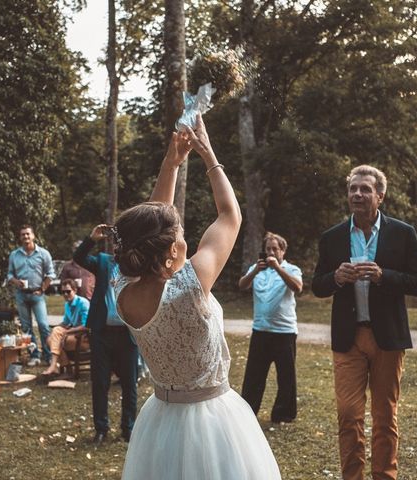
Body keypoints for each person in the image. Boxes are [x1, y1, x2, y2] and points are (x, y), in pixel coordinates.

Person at [113, 115, 281, 479]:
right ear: (173, 251)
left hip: (160, 420)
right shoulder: (189, 286)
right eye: (180, 233)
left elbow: (152, 221)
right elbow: (230, 215)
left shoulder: (121, 285)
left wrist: (170, 163)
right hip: (213, 421)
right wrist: (208, 154)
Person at [311, 165, 417, 480]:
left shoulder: (403, 233)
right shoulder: (333, 236)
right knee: (348, 415)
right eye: (353, 189)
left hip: (387, 337)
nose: (357, 194)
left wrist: (383, 276)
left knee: (384, 416)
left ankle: (384, 476)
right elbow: (317, 285)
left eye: (365, 189)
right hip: (349, 338)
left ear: (381, 196)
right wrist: (335, 277)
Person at [73, 225, 138, 446]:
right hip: (101, 333)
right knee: (99, 383)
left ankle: (128, 429)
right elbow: (79, 257)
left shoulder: (138, 266)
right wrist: (91, 239)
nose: (122, 246)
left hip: (127, 335)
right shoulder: (102, 261)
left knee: (130, 383)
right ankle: (101, 429)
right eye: (119, 243)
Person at [239, 232, 302, 423]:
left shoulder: (291, 269)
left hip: (284, 332)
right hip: (261, 331)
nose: (271, 252)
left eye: (275, 248)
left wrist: (278, 268)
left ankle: (283, 414)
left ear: (283, 250)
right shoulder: (257, 268)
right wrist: (255, 271)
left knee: (286, 376)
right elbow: (242, 285)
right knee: (254, 375)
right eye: (268, 249)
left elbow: (297, 287)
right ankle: (248, 411)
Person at [7, 224, 55, 367]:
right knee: (26, 327)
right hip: (21, 295)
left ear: (33, 236)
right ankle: (34, 355)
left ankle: (48, 355)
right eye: (23, 234)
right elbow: (9, 274)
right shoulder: (14, 255)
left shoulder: (43, 254)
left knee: (43, 325)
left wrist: (42, 288)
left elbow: (51, 274)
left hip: (37, 295)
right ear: (20, 237)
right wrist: (16, 281)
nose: (26, 237)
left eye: (28, 234)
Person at [41, 279, 90, 377]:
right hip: (73, 335)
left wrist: (67, 332)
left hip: (85, 338)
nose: (66, 294)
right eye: (63, 292)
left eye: (68, 291)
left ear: (75, 290)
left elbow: (87, 326)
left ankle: (60, 367)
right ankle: (61, 367)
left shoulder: (83, 303)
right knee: (50, 339)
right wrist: (56, 329)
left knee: (54, 341)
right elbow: (66, 322)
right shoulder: (67, 304)